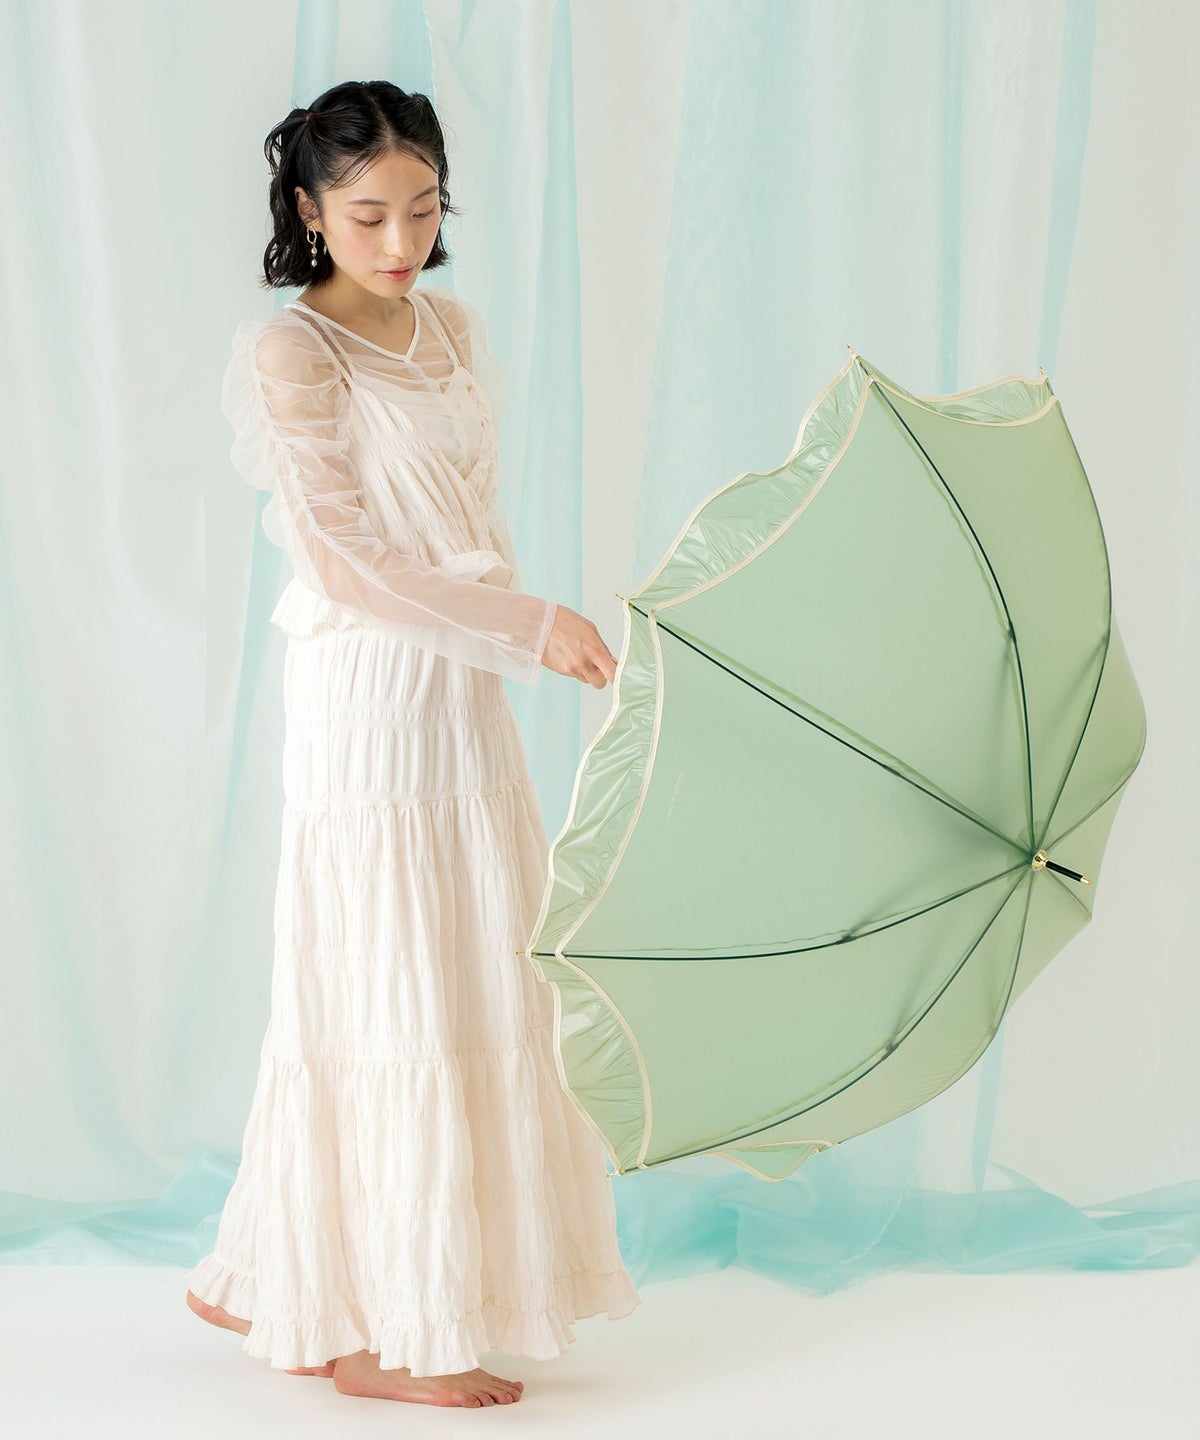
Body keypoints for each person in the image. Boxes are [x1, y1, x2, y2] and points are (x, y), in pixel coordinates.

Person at [184, 78, 640, 1409]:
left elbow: (463, 521)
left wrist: (522, 632)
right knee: (388, 985)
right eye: (368, 215)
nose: (400, 241)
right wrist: (530, 623)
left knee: (468, 960)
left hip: (462, 689)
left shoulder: (454, 328)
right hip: (370, 694)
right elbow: (344, 560)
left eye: (424, 209)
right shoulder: (292, 354)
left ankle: (270, 1270)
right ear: (309, 212)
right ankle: (384, 1332)